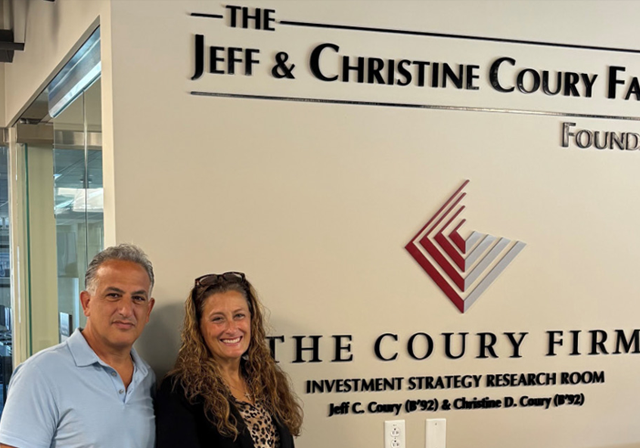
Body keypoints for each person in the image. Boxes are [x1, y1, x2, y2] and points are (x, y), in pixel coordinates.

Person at [0, 244, 156, 448]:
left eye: (138, 298)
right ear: (86, 303)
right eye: (113, 295)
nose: (126, 310)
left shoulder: (147, 378)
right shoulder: (40, 374)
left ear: (148, 309)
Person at [156, 272, 302, 448]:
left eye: (239, 315)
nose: (232, 329)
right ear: (199, 328)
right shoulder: (182, 390)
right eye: (218, 319)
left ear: (252, 320)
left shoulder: (268, 379)